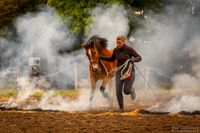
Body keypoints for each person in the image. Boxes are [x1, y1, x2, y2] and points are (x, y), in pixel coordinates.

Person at [99, 35, 142, 111]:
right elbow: (111, 59)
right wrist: (101, 57)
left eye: (119, 42)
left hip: (129, 72)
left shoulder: (129, 49)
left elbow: (139, 57)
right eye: (117, 42)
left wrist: (134, 60)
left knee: (126, 91)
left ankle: (131, 89)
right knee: (118, 90)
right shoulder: (116, 50)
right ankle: (121, 108)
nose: (118, 44)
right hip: (119, 72)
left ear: (124, 42)